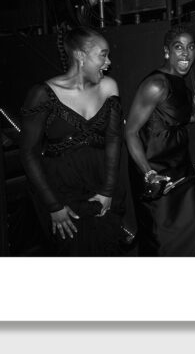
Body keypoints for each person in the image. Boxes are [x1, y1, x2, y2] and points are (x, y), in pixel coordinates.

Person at [19, 27, 125, 256]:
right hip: (61, 191)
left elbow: (114, 139)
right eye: (103, 55)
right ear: (80, 55)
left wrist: (108, 191)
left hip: (100, 185)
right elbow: (28, 153)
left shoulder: (109, 87)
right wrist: (53, 205)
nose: (109, 62)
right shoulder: (43, 94)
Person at [125, 26, 195, 256]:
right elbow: (130, 132)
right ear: (166, 51)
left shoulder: (182, 84)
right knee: (160, 241)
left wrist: (190, 117)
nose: (186, 53)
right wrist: (148, 174)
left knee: (191, 235)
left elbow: (167, 121)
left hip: (181, 169)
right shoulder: (156, 85)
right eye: (178, 47)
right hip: (154, 171)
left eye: (191, 47)